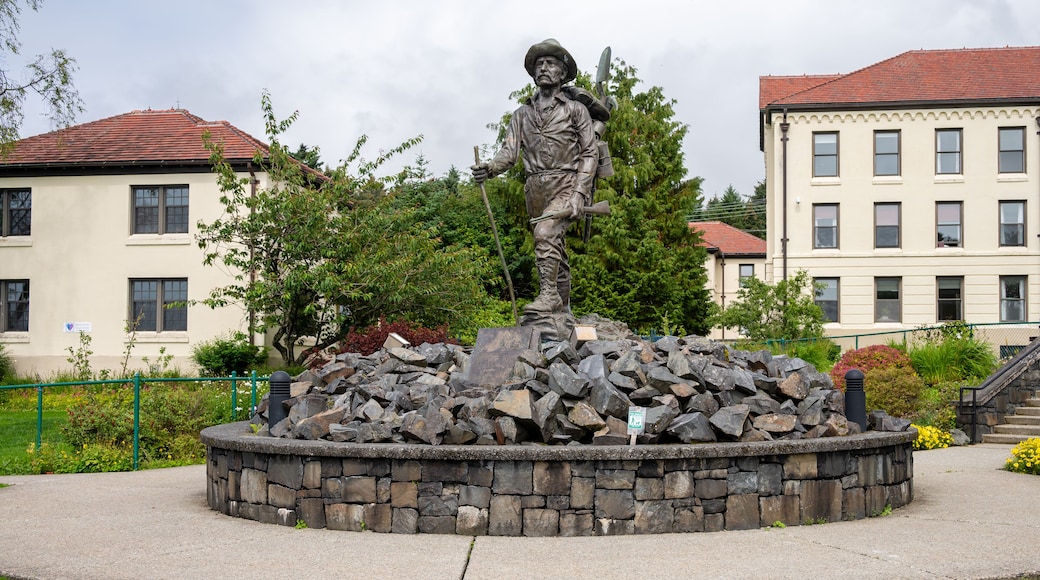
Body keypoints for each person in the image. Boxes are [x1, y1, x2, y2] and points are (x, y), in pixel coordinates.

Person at [472, 39, 598, 324]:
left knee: (545, 234)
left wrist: (580, 194)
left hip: (567, 183)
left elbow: (590, 153)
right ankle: (562, 312)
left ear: (563, 73)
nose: (543, 68)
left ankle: (549, 296)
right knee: (554, 247)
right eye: (539, 64)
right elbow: (509, 152)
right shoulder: (521, 114)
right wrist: (490, 168)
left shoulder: (575, 110)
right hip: (536, 189)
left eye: (551, 63)